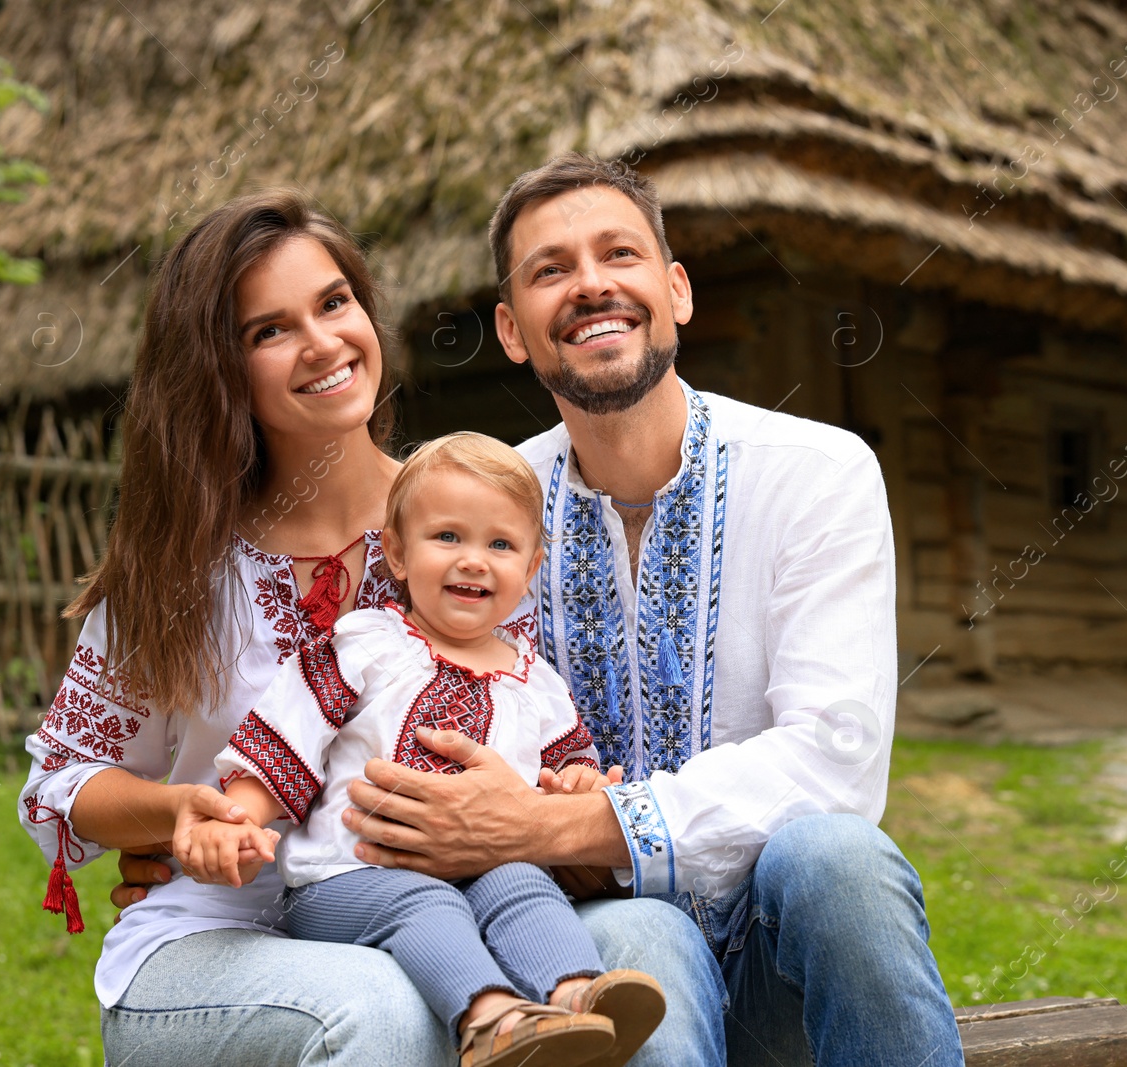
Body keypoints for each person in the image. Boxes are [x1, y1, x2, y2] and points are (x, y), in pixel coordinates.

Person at [18, 190, 722, 1067]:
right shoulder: (175, 570)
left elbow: (543, 733)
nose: (321, 342)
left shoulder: (476, 527)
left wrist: (560, 802)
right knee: (381, 1002)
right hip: (217, 938)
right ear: (218, 367)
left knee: (648, 933)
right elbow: (62, 783)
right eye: (267, 331)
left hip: (468, 898)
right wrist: (179, 815)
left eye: (334, 302)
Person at [335, 154, 968, 1067]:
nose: (591, 285)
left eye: (619, 254)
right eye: (550, 269)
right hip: (584, 957)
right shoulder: (478, 515)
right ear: (512, 331)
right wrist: (192, 825)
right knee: (644, 940)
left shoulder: (816, 471)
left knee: (838, 859)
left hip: (780, 954)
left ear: (676, 291)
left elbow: (836, 763)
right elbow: (353, 696)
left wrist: (554, 823)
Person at [180, 432, 666, 1067]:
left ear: (531, 570)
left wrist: (579, 786)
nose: (473, 560)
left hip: (480, 867)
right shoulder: (365, 644)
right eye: (448, 537)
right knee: (425, 899)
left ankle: (575, 999)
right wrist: (237, 820)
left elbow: (567, 763)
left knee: (522, 878)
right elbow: (284, 741)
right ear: (398, 554)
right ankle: (490, 1021)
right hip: (348, 879)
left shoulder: (536, 681)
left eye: (500, 544)